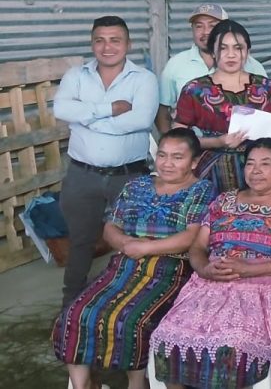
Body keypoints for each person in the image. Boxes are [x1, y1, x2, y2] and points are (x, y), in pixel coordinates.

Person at [53, 128, 214, 389]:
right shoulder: (136, 185)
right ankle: (83, 385)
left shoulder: (201, 190)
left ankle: (136, 383)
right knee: (76, 313)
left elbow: (190, 237)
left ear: (194, 162)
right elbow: (110, 227)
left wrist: (145, 248)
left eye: (177, 157)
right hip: (124, 265)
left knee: (131, 320)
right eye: (162, 155)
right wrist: (126, 244)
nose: (167, 163)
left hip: (169, 269)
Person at [150, 138, 271, 389]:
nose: (256, 170)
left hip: (267, 288)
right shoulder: (223, 201)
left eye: (265, 164)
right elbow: (197, 247)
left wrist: (249, 270)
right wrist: (205, 269)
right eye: (250, 163)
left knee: (231, 346)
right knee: (166, 339)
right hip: (211, 285)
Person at [53, 15, 157, 306]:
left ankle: (133, 303)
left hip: (129, 176)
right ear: (92, 43)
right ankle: (70, 305)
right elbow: (61, 109)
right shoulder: (76, 76)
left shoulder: (144, 79)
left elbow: (140, 120)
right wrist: (110, 108)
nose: (107, 47)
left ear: (128, 44)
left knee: (136, 238)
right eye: (100, 40)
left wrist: (87, 119)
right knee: (80, 241)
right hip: (82, 176)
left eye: (115, 40)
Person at [172, 20, 271, 193]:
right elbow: (178, 138)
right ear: (213, 52)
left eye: (238, 48)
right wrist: (217, 142)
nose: (231, 55)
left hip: (259, 172)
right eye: (223, 48)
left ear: (248, 52)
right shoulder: (195, 89)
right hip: (212, 173)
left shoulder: (266, 87)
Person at [157, 4, 267, 133]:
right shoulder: (176, 65)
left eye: (212, 25)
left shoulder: (254, 67)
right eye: (199, 26)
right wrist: (169, 141)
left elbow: (268, 117)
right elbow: (163, 111)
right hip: (192, 144)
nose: (206, 32)